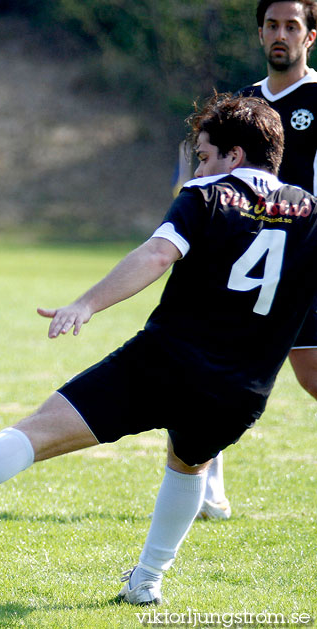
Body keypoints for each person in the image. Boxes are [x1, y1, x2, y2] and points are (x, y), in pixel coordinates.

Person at [0, 93, 317, 605]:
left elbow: (158, 253)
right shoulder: (309, 212)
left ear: (234, 156)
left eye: (203, 155)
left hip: (167, 363)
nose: (200, 166)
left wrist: (87, 303)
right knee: (189, 463)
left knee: (38, 432)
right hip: (242, 392)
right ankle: (147, 583)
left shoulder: (207, 194)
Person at [198, 0, 317, 520]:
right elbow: (213, 175)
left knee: (311, 374)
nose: (281, 35)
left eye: (293, 26)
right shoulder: (244, 104)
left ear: (310, 37)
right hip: (245, 260)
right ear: (261, 33)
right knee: (211, 369)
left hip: (306, 260)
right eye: (272, 25)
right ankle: (208, 489)